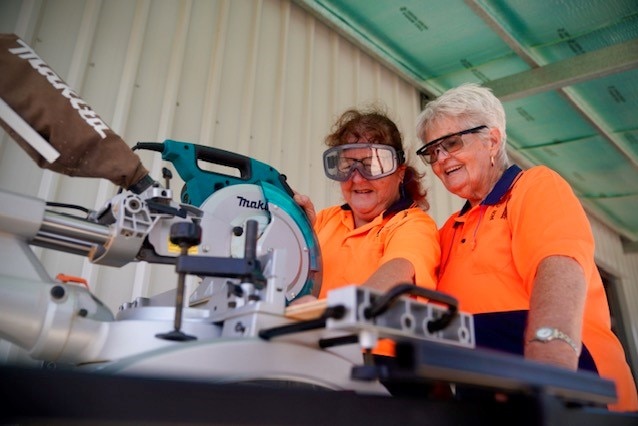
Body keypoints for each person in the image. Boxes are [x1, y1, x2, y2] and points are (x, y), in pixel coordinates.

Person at [415, 82, 638, 411]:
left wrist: (550, 368)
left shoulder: (534, 187)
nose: (441, 159)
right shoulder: (449, 230)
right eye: (432, 151)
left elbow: (558, 268)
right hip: (493, 396)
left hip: (572, 387)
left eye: (451, 143)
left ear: (492, 139)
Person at [293, 107, 440, 355]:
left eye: (372, 166)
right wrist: (297, 233)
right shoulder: (325, 219)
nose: (358, 179)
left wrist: (330, 314)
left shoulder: (412, 224)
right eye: (348, 165)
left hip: (378, 365)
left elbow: (395, 275)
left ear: (399, 173)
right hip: (315, 356)